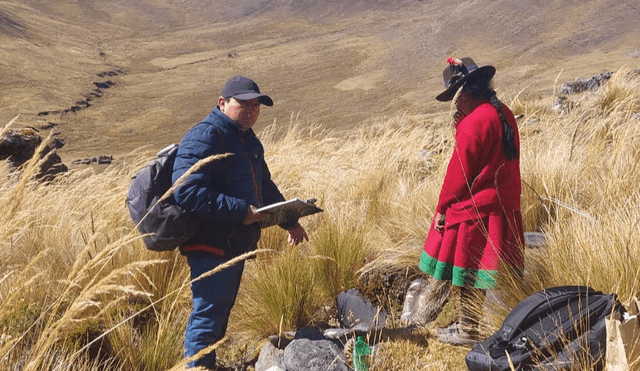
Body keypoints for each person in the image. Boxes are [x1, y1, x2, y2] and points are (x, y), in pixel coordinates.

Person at [171, 75, 309, 369]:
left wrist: (290, 221)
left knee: (218, 316)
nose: (250, 110)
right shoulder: (206, 135)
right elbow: (185, 190)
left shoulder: (247, 138)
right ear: (222, 103)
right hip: (209, 244)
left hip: (234, 243)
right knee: (207, 318)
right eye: (243, 104)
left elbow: (265, 186)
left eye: (256, 105)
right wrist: (240, 211)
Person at [418, 57, 525, 346]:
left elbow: (458, 175)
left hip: (476, 211)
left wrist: (442, 209)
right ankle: (493, 328)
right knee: (487, 275)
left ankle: (465, 331)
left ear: (463, 94)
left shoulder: (474, 122)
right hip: (503, 209)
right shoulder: (505, 113)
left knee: (468, 275)